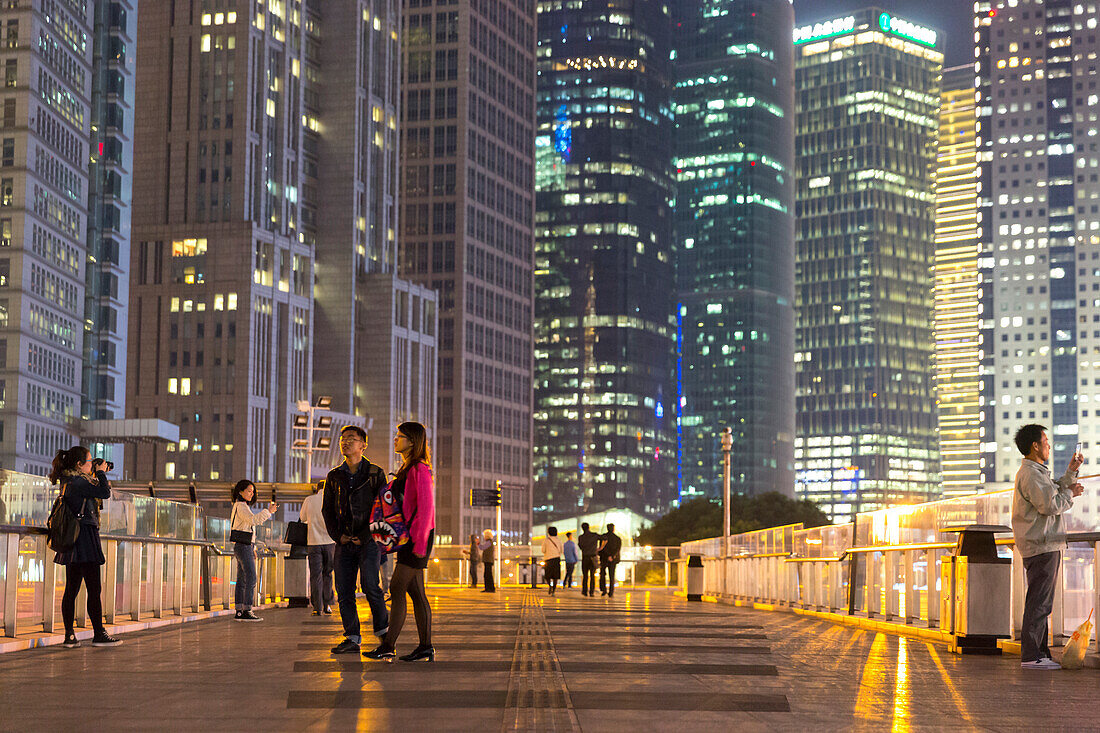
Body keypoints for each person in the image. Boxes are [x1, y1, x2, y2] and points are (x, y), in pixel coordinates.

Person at [1011, 424, 1084, 670]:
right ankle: (1032, 656)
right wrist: (1071, 493)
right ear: (1035, 445)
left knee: (1041, 602)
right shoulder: (1031, 474)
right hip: (1041, 544)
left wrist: (1071, 473)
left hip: (1044, 543)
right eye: (1045, 440)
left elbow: (1051, 493)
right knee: (1039, 603)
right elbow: (1050, 505)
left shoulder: (1036, 472)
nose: (1048, 445)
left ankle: (1039, 654)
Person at [365, 422, 437, 662]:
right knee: (416, 593)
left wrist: (418, 545)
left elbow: (426, 509)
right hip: (410, 537)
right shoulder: (407, 468)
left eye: (400, 436)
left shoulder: (420, 469)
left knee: (396, 587)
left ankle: (388, 645)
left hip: (418, 538)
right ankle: (424, 647)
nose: (396, 440)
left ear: (413, 441)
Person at [321, 425, 390, 654]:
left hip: (368, 542)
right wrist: (338, 536)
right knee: (344, 590)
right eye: (342, 439)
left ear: (363, 444)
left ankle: (384, 634)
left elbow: (382, 509)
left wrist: (365, 536)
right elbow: (327, 510)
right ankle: (352, 636)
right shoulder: (334, 476)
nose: (345, 442)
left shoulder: (375, 473)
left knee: (371, 586)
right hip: (343, 542)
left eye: (351, 438)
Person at [51, 447, 121, 648]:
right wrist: (100, 472)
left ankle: (70, 636)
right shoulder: (79, 482)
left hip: (74, 539)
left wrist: (97, 471)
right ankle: (98, 634)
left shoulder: (70, 481)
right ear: (79, 465)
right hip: (84, 538)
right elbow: (104, 492)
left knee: (72, 589)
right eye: (89, 462)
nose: (92, 464)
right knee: (93, 588)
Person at [230, 480, 277, 621]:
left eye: (253, 491)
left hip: (244, 545)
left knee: (242, 578)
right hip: (243, 546)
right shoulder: (241, 506)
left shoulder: (240, 506)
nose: (252, 494)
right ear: (240, 491)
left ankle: (239, 610)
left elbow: (248, 528)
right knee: (251, 577)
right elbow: (253, 521)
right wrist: (268, 512)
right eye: (249, 491)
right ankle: (247, 610)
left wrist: (253, 548)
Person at [298, 480, 335, 615]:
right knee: (328, 573)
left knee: (315, 575)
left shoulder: (309, 500)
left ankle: (317, 607)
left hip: (313, 542)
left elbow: (302, 518)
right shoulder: (333, 500)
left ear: (317, 488)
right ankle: (327, 605)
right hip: (330, 542)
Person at [598, 523, 622, 597]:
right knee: (612, 575)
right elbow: (618, 549)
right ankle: (611, 592)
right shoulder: (617, 538)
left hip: (604, 558)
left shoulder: (603, 537)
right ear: (613, 529)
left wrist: (607, 555)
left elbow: (601, 548)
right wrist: (612, 556)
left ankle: (604, 590)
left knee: (602, 574)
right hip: (613, 559)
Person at [577, 522, 599, 597]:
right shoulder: (594, 535)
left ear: (582, 528)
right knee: (592, 576)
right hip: (593, 557)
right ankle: (592, 592)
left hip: (585, 557)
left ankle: (584, 591)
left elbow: (580, 547)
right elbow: (604, 538)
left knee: (585, 575)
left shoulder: (581, 537)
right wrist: (600, 548)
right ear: (589, 527)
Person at [541, 526, 563, 595]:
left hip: (548, 559)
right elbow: (562, 551)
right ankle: (553, 590)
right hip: (556, 559)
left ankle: (550, 586)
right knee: (555, 576)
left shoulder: (546, 540)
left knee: (547, 575)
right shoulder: (559, 540)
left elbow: (543, 550)